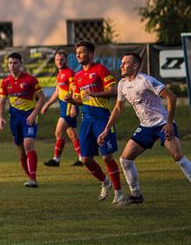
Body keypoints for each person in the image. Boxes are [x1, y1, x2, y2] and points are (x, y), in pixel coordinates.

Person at [98, 52, 191, 204]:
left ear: (135, 65)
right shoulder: (122, 84)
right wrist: (106, 129)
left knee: (178, 157)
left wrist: (168, 123)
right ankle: (136, 195)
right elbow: (117, 108)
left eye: (125, 63)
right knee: (125, 159)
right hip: (145, 126)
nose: (121, 65)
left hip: (162, 123)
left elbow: (171, 97)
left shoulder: (145, 80)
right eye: (121, 62)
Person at [66, 41, 124, 202]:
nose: (78, 55)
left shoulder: (100, 69)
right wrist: (72, 100)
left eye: (82, 52)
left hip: (102, 118)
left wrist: (95, 93)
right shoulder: (77, 76)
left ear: (90, 54)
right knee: (85, 159)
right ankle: (105, 182)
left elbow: (113, 91)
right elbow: (81, 100)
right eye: (77, 52)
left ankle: (119, 193)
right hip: (86, 120)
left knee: (107, 157)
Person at [0, 52, 44, 188]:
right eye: (10, 63)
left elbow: (41, 97)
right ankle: (30, 176)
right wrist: (0, 117)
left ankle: (33, 178)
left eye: (15, 63)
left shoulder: (30, 79)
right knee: (20, 148)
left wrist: (34, 113)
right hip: (14, 119)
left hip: (28, 117)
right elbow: (1, 102)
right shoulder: (5, 82)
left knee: (28, 144)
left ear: (20, 64)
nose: (12, 65)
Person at [39, 50, 83, 167]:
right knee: (72, 134)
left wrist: (74, 106)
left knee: (58, 132)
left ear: (66, 60)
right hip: (64, 107)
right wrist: (47, 104)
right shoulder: (59, 74)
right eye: (57, 60)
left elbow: (75, 90)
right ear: (54, 61)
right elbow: (57, 91)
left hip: (69, 107)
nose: (59, 61)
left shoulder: (69, 73)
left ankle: (56, 159)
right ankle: (82, 157)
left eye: (62, 59)